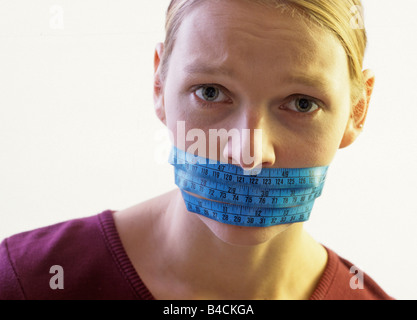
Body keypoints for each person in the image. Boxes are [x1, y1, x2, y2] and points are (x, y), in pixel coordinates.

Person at [0, 0, 394, 300]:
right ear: (159, 85)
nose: (249, 154)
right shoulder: (26, 280)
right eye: (210, 92)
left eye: (302, 103)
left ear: (358, 111)